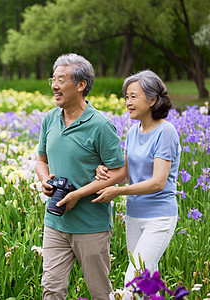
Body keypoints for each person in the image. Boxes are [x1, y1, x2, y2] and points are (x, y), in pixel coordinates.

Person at [35, 53, 126, 300]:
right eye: (53, 79)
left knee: (99, 292)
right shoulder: (50, 119)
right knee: (51, 290)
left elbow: (120, 171)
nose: (54, 85)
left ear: (81, 84)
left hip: (90, 225)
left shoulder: (100, 125)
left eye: (61, 79)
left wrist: (78, 194)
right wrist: (44, 179)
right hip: (55, 222)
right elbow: (41, 159)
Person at [93, 70, 181, 286]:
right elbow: (124, 174)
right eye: (126, 97)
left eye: (134, 96)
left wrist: (118, 191)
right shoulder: (133, 132)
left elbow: (158, 182)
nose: (128, 102)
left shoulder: (166, 132)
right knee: (148, 284)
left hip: (158, 217)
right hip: (134, 216)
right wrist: (102, 171)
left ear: (152, 100)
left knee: (134, 280)